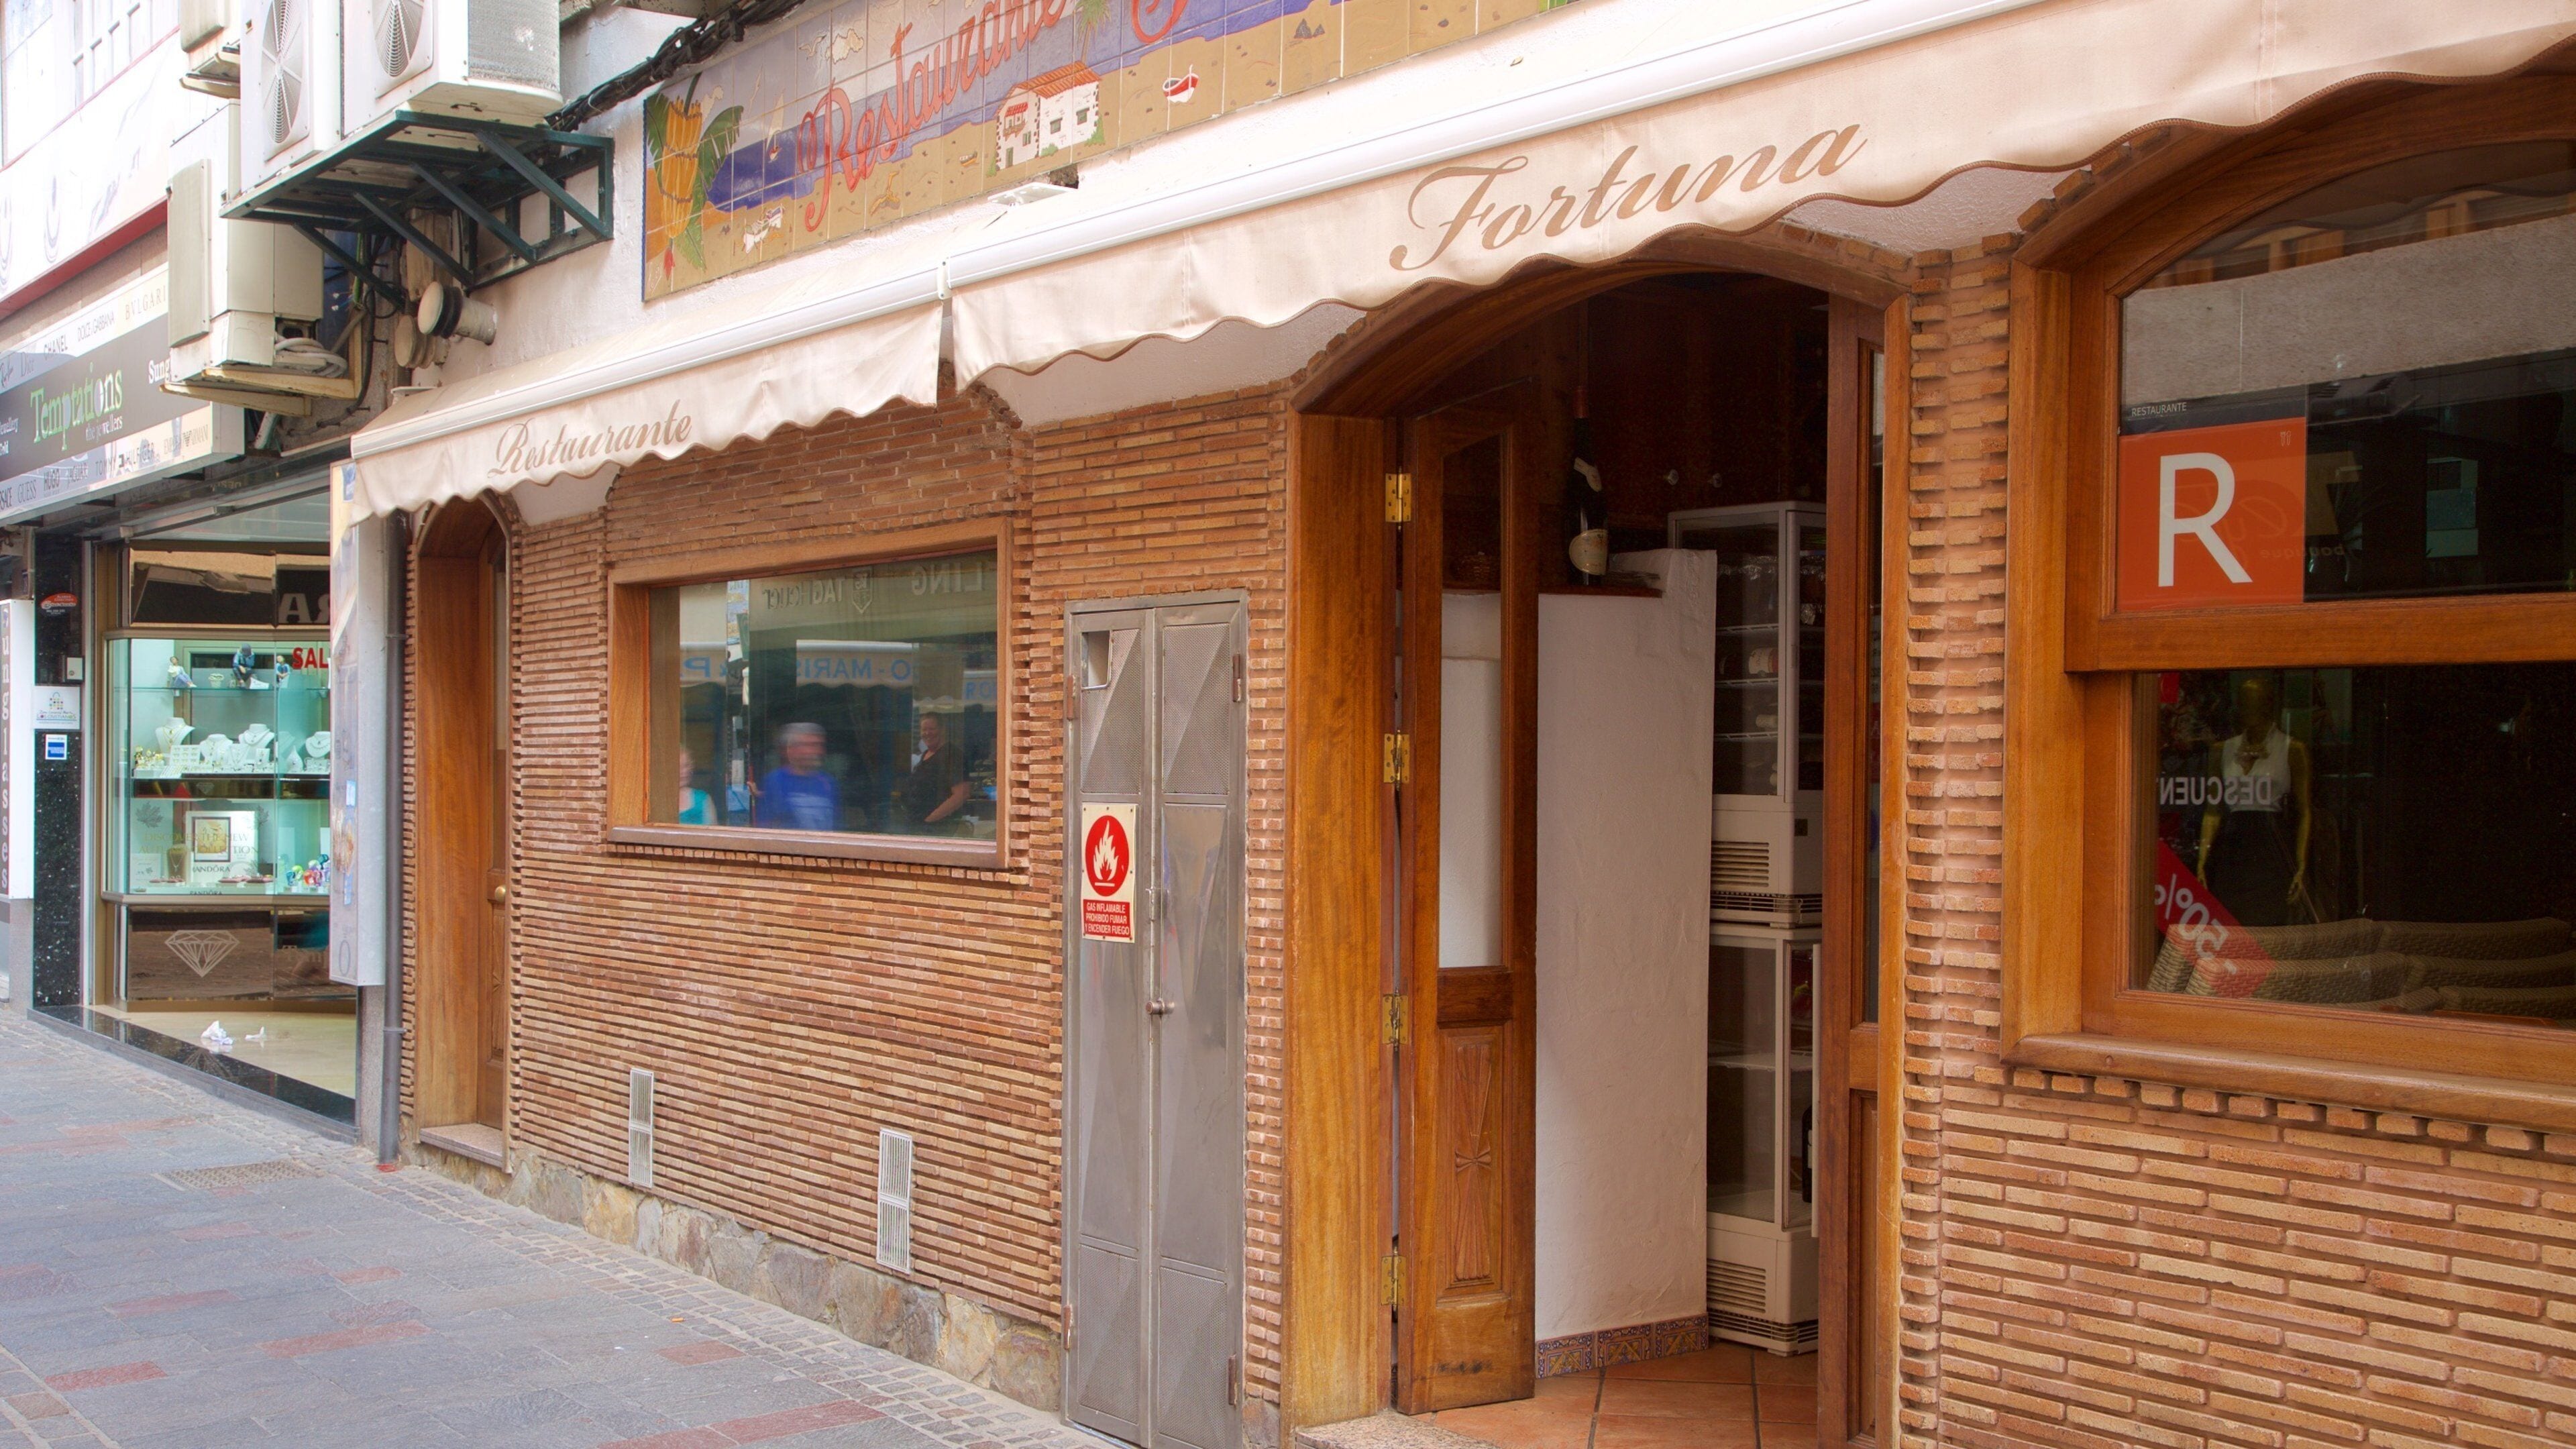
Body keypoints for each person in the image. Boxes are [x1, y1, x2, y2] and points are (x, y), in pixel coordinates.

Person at [753, 721, 840, 832]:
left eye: (819, 745)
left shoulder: (828, 783)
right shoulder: (774, 782)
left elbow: (838, 828)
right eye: (809, 745)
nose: (816, 751)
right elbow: (765, 828)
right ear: (792, 749)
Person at [896, 712, 971, 834]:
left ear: (942, 730)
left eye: (932, 729)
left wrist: (930, 821)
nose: (927, 733)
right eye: (924, 730)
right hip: (915, 826)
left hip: (936, 829)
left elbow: (962, 794)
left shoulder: (952, 755)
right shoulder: (926, 755)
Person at [676, 747, 714, 826]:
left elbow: (714, 832)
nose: (685, 771)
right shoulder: (656, 799)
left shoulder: (702, 799)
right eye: (679, 767)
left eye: (687, 766)